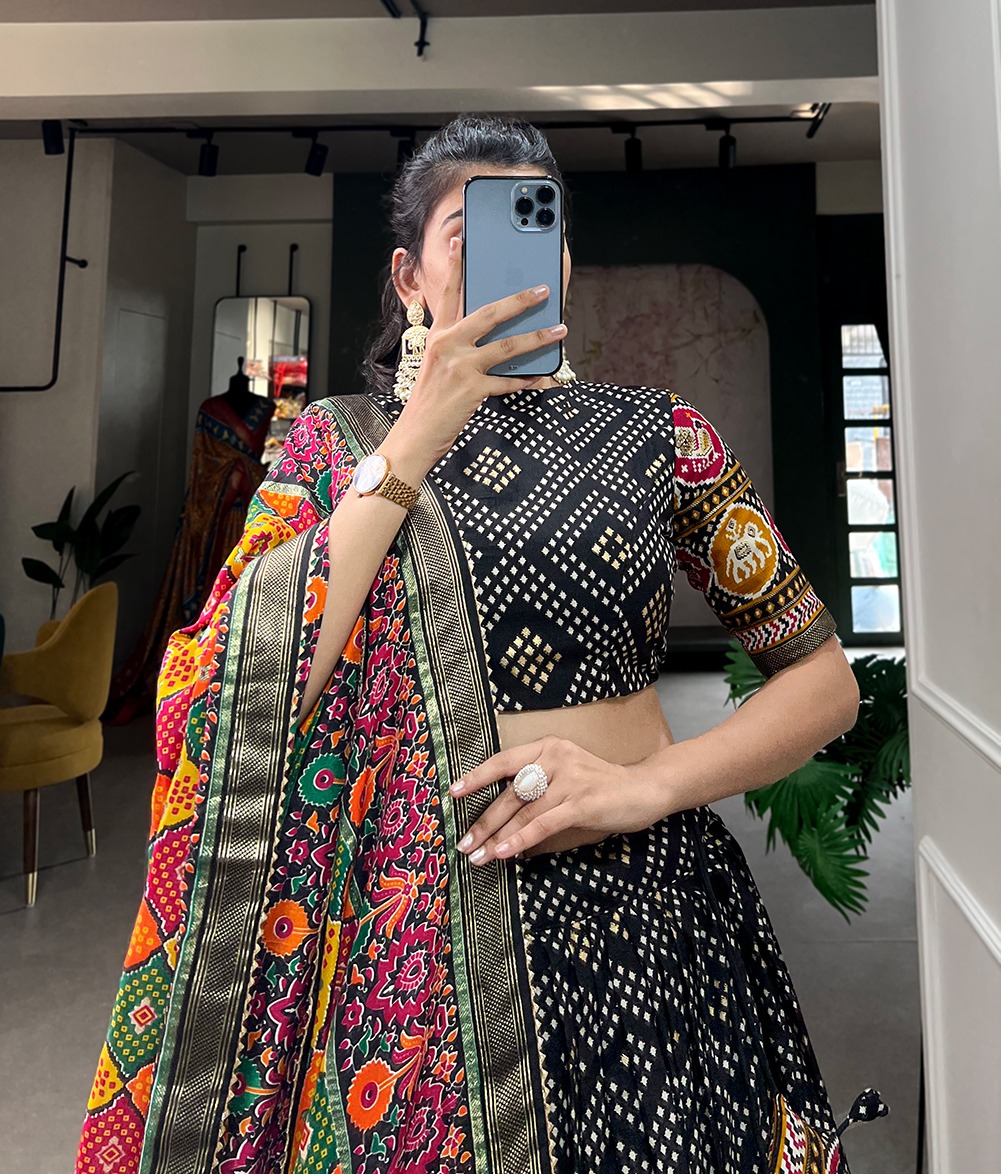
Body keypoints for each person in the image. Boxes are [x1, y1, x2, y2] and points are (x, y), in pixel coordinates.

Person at [76, 116, 885, 1174]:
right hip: (418, 941)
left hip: (650, 915)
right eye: (470, 231)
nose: (517, 251)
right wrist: (418, 432)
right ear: (408, 276)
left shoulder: (663, 434)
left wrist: (650, 785)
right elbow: (235, 684)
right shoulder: (335, 444)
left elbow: (823, 682)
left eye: (540, 225)